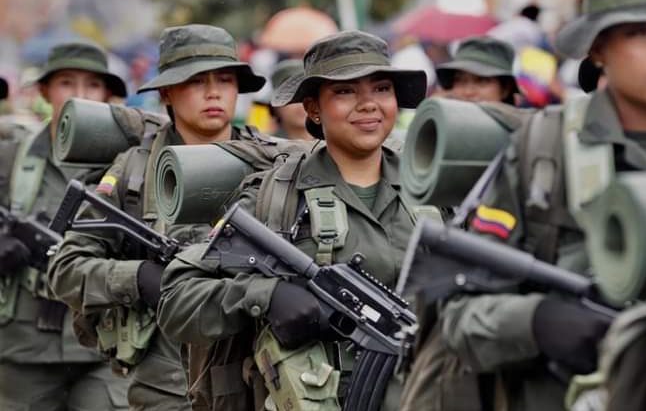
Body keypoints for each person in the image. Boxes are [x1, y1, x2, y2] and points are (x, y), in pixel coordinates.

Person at [399, 0, 646, 411]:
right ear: (598, 48)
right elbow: (460, 318)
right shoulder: (541, 152)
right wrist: (537, 321)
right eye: (642, 32)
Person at [156, 30, 427, 411]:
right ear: (313, 109)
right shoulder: (274, 197)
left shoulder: (431, 192)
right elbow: (177, 301)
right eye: (345, 92)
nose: (368, 104)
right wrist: (266, 297)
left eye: (381, 89)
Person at [47, 24, 267, 411]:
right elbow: (65, 268)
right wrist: (137, 278)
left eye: (225, 79)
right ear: (167, 91)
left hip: (256, 383)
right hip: (168, 390)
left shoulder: (269, 165)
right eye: (196, 80)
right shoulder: (135, 170)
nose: (214, 92)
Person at [0, 41, 131, 410]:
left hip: (105, 343)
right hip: (23, 345)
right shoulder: (13, 157)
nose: (79, 95)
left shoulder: (129, 164)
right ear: (44, 91)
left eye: (91, 85)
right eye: (66, 83)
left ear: (108, 94)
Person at [435, 36, 518, 104]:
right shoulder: (442, 121)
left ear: (505, 89)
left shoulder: (524, 123)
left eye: (482, 81)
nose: (468, 92)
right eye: (460, 80)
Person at [268, 59, 312, 140]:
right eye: (292, 97)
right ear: (275, 106)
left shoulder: (334, 145)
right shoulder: (264, 148)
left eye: (307, 95)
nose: (301, 105)